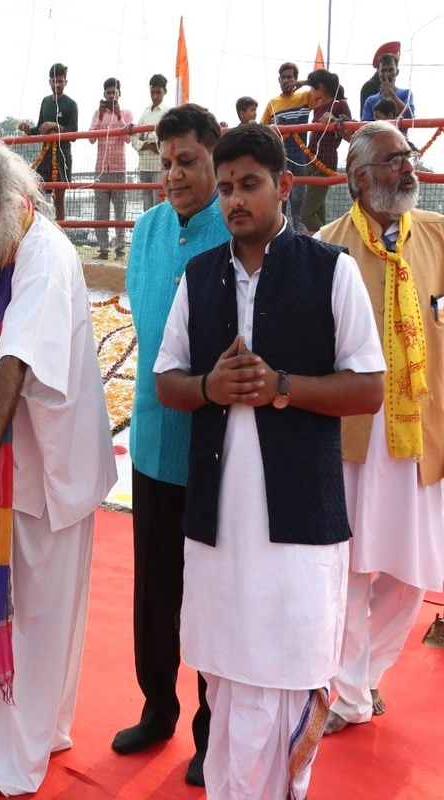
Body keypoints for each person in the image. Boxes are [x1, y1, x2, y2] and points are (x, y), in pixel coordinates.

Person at [153, 123, 385, 799]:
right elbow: (167, 380)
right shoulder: (199, 277)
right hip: (220, 530)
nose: (233, 200)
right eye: (225, 187)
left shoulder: (330, 271)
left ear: (284, 186)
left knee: (288, 679)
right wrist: (209, 389)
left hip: (299, 527)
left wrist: (284, 387)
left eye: (248, 184)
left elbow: (369, 388)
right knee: (225, 681)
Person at [0, 134, 117, 796]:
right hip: (15, 468)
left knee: (36, 617)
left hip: (47, 472)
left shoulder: (42, 255)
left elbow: (14, 360)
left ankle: (17, 753)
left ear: (9, 197)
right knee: (10, 604)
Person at [318, 121, 444, 735]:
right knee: (349, 569)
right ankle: (345, 693)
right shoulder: (327, 245)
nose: (409, 167)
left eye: (409, 156)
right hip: (353, 441)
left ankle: (367, 676)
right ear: (359, 178)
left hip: (421, 435)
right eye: (396, 160)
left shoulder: (441, 237)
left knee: (409, 573)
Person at [115, 103, 228, 787]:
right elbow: (145, 322)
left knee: (211, 596)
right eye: (165, 163)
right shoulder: (147, 230)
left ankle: (212, 731)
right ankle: (158, 706)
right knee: (154, 590)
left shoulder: (236, 227)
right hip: (155, 441)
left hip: (217, 448)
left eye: (187, 161)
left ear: (214, 159)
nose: (174, 174)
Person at [19, 63, 77, 220]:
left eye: (60, 81)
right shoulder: (45, 102)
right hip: (45, 155)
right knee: (34, 192)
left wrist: (56, 126)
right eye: (54, 81)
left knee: (59, 201)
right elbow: (39, 129)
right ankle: (37, 230)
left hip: (62, 156)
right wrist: (28, 130)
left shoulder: (71, 104)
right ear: (49, 81)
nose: (57, 84)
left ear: (66, 82)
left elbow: (74, 134)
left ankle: (62, 234)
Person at [260, 62, 311, 232]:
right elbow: (261, 129)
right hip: (277, 162)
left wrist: (302, 83)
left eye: (290, 77)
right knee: (278, 208)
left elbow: (327, 86)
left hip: (299, 162)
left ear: (295, 79)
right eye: (284, 77)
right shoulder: (273, 103)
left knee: (298, 210)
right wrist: (275, 128)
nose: (286, 80)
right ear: (279, 80)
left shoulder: (305, 97)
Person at [301, 70, 350, 234]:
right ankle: (324, 249)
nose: (310, 92)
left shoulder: (339, 104)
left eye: (312, 88)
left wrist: (336, 121)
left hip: (325, 163)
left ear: (320, 87)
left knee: (306, 214)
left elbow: (351, 135)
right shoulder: (318, 108)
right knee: (317, 211)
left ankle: (327, 241)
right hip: (311, 162)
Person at [90, 77, 133, 260]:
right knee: (100, 213)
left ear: (119, 94)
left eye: (114, 92)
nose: (111, 96)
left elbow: (128, 139)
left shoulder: (127, 113)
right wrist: (100, 117)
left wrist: (118, 116)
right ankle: (103, 250)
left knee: (120, 213)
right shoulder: (97, 114)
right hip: (101, 169)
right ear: (104, 95)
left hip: (118, 168)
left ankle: (121, 250)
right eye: (108, 93)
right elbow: (91, 138)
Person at [131, 74, 168, 211]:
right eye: (152, 92)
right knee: (146, 206)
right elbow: (134, 137)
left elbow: (164, 139)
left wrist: (149, 140)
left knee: (159, 204)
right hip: (144, 165)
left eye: (158, 92)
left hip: (159, 166)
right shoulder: (145, 112)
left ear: (164, 92)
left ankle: (158, 232)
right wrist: (147, 143)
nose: (155, 96)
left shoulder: (167, 112)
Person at [360, 54, 414, 121]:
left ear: (397, 72)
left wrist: (391, 94)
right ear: (378, 73)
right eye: (383, 71)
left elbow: (410, 116)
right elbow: (365, 124)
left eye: (391, 70)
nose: (387, 74)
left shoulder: (406, 94)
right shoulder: (370, 100)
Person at [358, 42, 400, 111]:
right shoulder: (370, 86)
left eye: (391, 69)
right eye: (384, 70)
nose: (388, 74)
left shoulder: (404, 93)